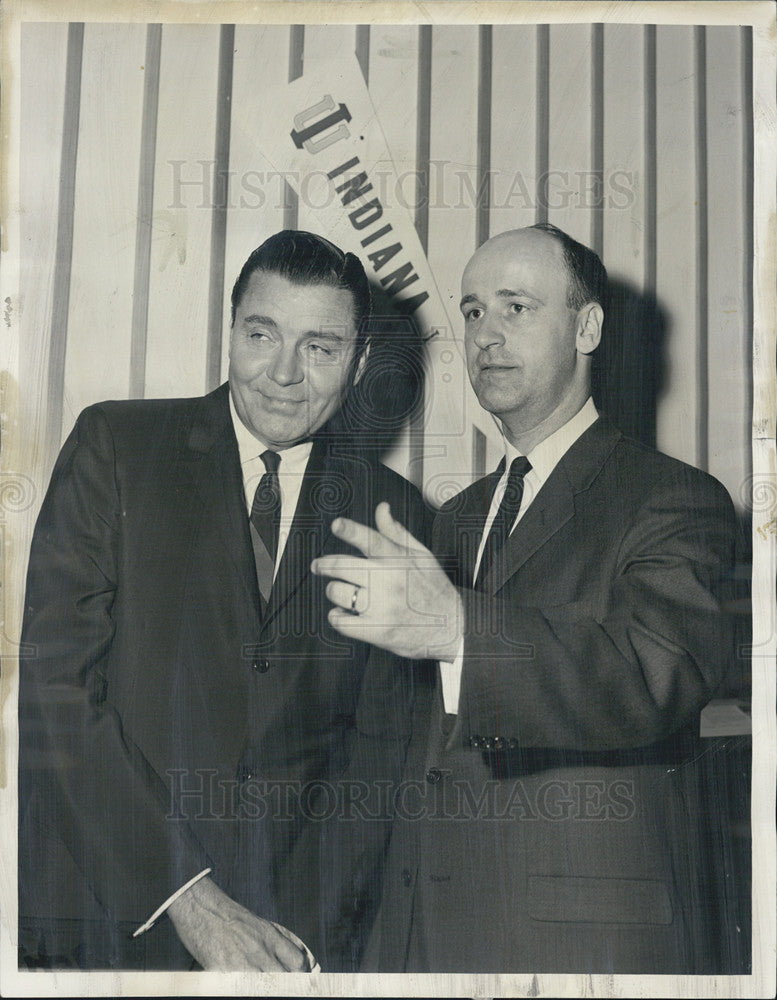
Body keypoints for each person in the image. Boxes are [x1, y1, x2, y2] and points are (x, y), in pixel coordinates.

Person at [312, 224, 744, 974]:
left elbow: (652, 675)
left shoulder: (674, 498)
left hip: (583, 943)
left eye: (515, 307)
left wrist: (459, 632)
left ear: (587, 327)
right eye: (473, 312)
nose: (485, 335)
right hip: (433, 932)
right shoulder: (454, 517)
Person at [18, 230, 425, 971]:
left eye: (320, 347)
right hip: (107, 919)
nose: (282, 374)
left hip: (283, 943)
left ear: (360, 363)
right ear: (230, 328)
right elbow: (55, 692)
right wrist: (188, 899)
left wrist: (298, 943)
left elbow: (375, 761)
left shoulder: (392, 513)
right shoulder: (117, 446)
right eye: (261, 334)